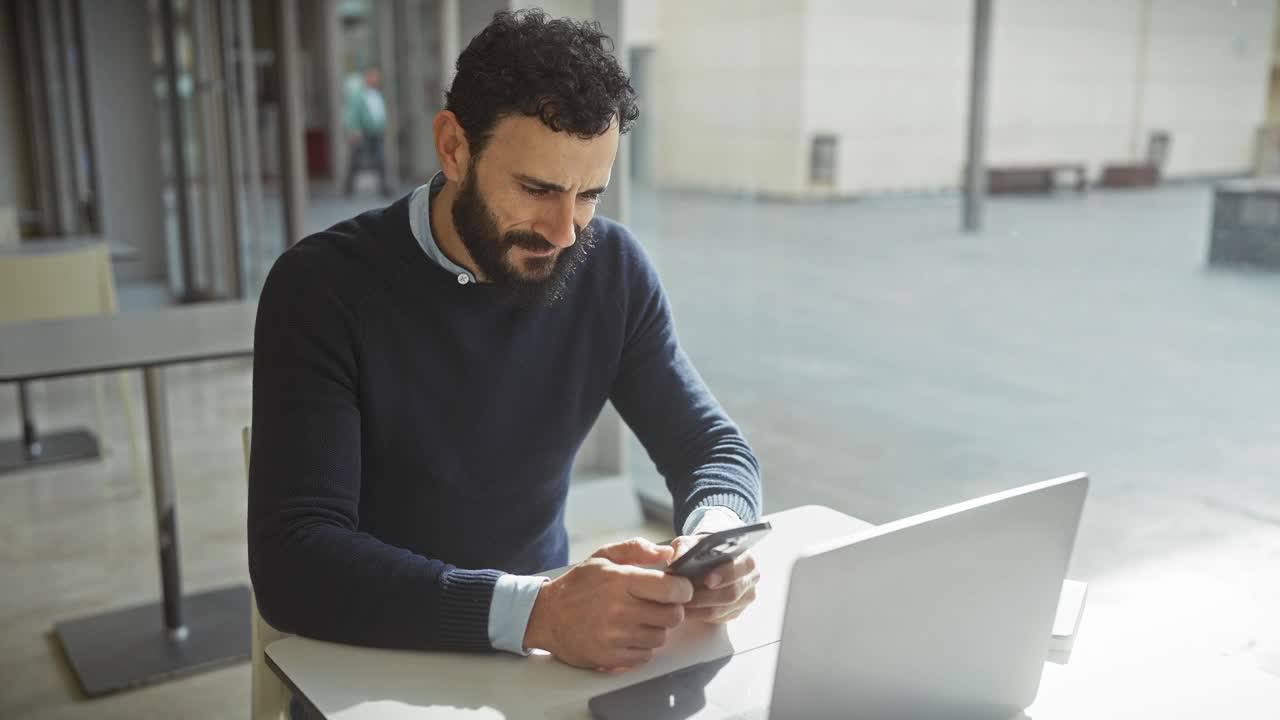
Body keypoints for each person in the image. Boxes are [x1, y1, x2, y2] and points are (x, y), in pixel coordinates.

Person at [248, 9, 762, 674]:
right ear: (455, 147)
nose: (564, 231)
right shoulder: (321, 289)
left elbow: (712, 447)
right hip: (368, 655)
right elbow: (296, 564)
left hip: (536, 662)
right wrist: (539, 610)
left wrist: (716, 541)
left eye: (589, 195)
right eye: (537, 189)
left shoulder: (611, 269)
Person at [342, 67, 391, 197]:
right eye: (372, 76)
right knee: (356, 161)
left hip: (377, 132)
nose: (375, 79)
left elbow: (380, 113)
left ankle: (384, 187)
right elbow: (352, 113)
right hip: (364, 132)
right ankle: (348, 187)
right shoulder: (359, 96)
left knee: (381, 160)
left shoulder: (378, 94)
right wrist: (353, 129)